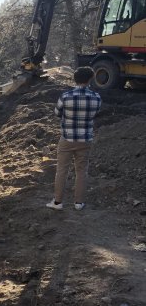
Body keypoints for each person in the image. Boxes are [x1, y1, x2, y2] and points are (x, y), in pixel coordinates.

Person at [46, 66, 101, 211]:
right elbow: (96, 114)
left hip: (67, 139)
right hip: (85, 139)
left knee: (62, 170)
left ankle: (57, 203)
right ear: (90, 80)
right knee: (82, 171)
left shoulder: (65, 96)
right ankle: (79, 203)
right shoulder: (96, 97)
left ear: (74, 79)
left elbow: (57, 113)